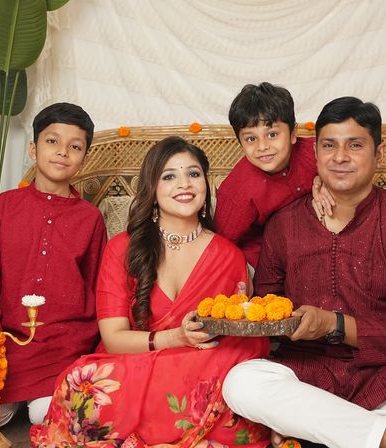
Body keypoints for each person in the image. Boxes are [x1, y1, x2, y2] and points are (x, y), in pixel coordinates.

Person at [30, 136, 271, 448]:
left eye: (194, 174)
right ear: (152, 190)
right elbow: (114, 338)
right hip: (134, 366)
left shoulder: (228, 256)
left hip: (201, 370)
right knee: (85, 381)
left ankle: (157, 435)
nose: (184, 184)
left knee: (238, 369)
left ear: (206, 184)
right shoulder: (123, 249)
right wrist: (175, 338)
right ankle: (186, 437)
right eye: (169, 176)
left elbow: (239, 338)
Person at [222, 97, 386, 448]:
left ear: (379, 154)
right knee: (242, 383)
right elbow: (266, 304)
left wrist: (334, 324)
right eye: (329, 145)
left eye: (355, 145)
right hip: (306, 374)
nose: (340, 157)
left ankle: (321, 428)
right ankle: (371, 434)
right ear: (315, 152)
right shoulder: (283, 223)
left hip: (380, 372)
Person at [0, 103, 107, 427]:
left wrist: (93, 359)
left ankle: (41, 399)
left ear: (84, 158)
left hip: (64, 348)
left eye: (75, 147)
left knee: (44, 414)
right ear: (33, 148)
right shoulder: (1, 209)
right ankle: (11, 398)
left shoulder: (89, 219)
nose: (62, 152)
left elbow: (98, 290)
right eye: (52, 141)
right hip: (8, 347)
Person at [214, 82, 329, 273]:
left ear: (293, 133)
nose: (262, 146)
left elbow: (350, 173)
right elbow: (222, 243)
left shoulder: (317, 152)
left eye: (272, 134)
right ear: (241, 143)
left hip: (318, 245)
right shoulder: (238, 189)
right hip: (262, 260)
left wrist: (323, 181)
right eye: (251, 138)